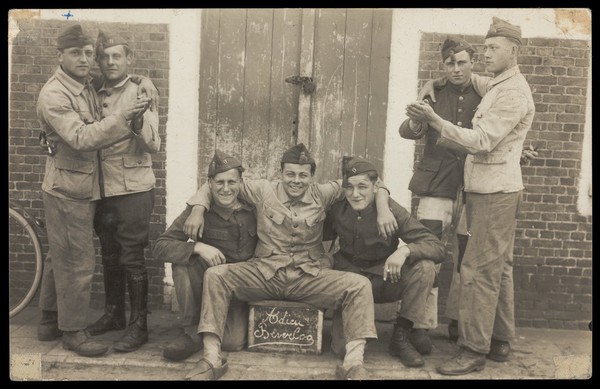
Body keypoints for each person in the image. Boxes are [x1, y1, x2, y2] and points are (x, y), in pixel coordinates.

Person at [182, 143, 398, 380]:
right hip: (265, 273)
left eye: (303, 175)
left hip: (309, 277)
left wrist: (383, 206)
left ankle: (353, 365)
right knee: (216, 275)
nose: (297, 180)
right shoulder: (263, 190)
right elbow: (218, 182)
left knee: (359, 285)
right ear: (281, 173)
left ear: (312, 177)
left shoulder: (323, 193)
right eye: (291, 174)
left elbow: (372, 180)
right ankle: (211, 359)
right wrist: (198, 209)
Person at [405, 17, 534, 375]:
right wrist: (434, 82)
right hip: (488, 190)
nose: (487, 53)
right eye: (487, 47)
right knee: (499, 267)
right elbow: (463, 79)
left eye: (493, 48)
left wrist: (435, 120)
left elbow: (481, 140)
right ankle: (499, 337)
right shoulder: (497, 83)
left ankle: (473, 349)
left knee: (477, 270)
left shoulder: (512, 92)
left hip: (495, 193)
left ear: (514, 51)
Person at [35, 24, 151, 357]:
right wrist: (125, 116)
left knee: (62, 255)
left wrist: (147, 81)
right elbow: (82, 139)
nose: (85, 59)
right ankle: (73, 332)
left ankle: (48, 320)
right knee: (77, 261)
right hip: (69, 188)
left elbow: (127, 78)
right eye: (76, 53)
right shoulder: (55, 94)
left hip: (78, 184)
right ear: (60, 56)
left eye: (89, 52)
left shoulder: (83, 83)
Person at [323, 157, 446, 368]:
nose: (355, 194)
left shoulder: (391, 210)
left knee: (424, 268)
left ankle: (401, 336)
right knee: (342, 349)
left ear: (375, 186)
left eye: (363, 187)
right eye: (350, 187)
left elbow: (436, 246)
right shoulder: (337, 208)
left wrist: (405, 251)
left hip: (385, 278)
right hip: (350, 281)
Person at [399, 37, 481, 350]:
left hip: (473, 184)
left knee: (467, 255)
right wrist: (417, 117)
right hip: (436, 184)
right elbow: (409, 130)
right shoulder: (433, 92)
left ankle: (459, 320)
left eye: (462, 62)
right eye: (450, 63)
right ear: (443, 65)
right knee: (429, 251)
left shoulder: (485, 92)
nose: (456, 69)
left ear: (472, 61)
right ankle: (420, 323)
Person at [83, 30, 161, 353]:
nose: (111, 61)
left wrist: (140, 122)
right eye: (105, 56)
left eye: (118, 56)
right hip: (102, 189)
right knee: (109, 255)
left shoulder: (141, 90)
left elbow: (154, 144)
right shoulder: (92, 91)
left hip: (133, 190)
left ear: (130, 59)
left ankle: (138, 325)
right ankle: (114, 314)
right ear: (99, 61)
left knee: (132, 258)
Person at [153, 150, 257, 361]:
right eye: (219, 182)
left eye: (231, 182)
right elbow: (160, 246)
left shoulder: (255, 209)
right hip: (209, 289)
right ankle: (191, 331)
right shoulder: (197, 212)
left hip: (241, 290)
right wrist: (197, 247)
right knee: (183, 265)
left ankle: (226, 323)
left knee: (232, 342)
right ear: (209, 183)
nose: (225, 189)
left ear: (241, 183)